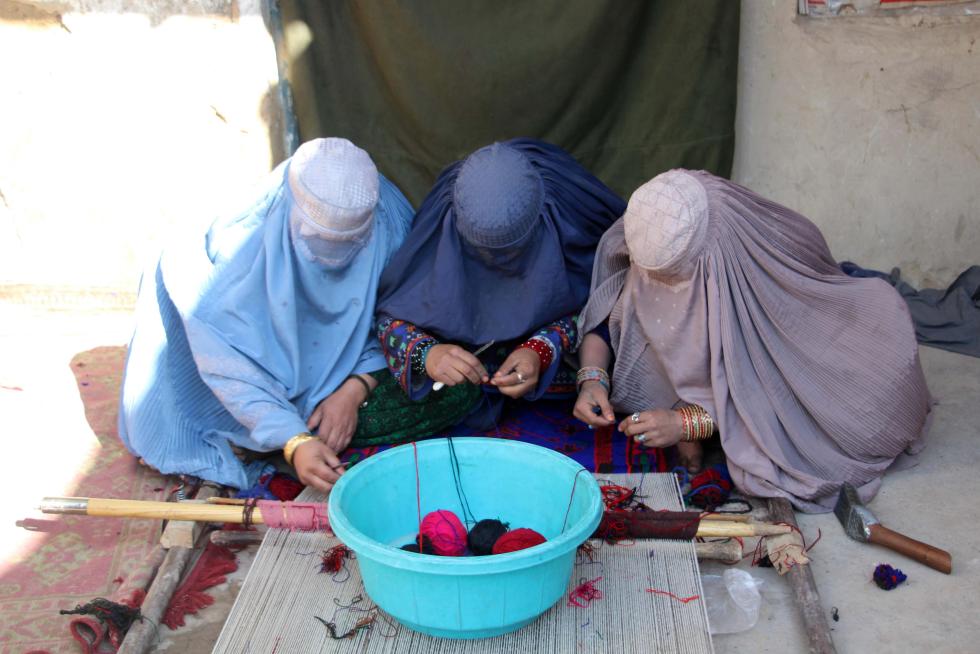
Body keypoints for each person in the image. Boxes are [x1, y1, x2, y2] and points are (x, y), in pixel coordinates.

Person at [118, 138, 471, 492]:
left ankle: (287, 428)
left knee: (456, 392)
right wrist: (293, 439)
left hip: (350, 371)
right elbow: (223, 362)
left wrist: (354, 387)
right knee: (209, 406)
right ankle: (257, 431)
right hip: (235, 379)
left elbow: (399, 318)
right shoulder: (239, 250)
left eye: (350, 243)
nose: (335, 259)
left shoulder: (390, 224)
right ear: (293, 213)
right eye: (319, 241)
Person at [574, 169, 932, 512]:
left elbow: (773, 389)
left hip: (813, 347)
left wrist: (686, 422)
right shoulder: (651, 238)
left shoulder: (751, 270)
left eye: (674, 277)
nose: (658, 287)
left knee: (860, 415)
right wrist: (592, 378)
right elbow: (613, 316)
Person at [374, 138, 625, 427]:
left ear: (546, 216)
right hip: (463, 382)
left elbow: (604, 303)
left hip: (558, 383)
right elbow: (389, 317)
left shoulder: (570, 217)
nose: (497, 264)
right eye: (480, 251)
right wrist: (428, 355)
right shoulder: (441, 227)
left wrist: (541, 349)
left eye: (515, 250)